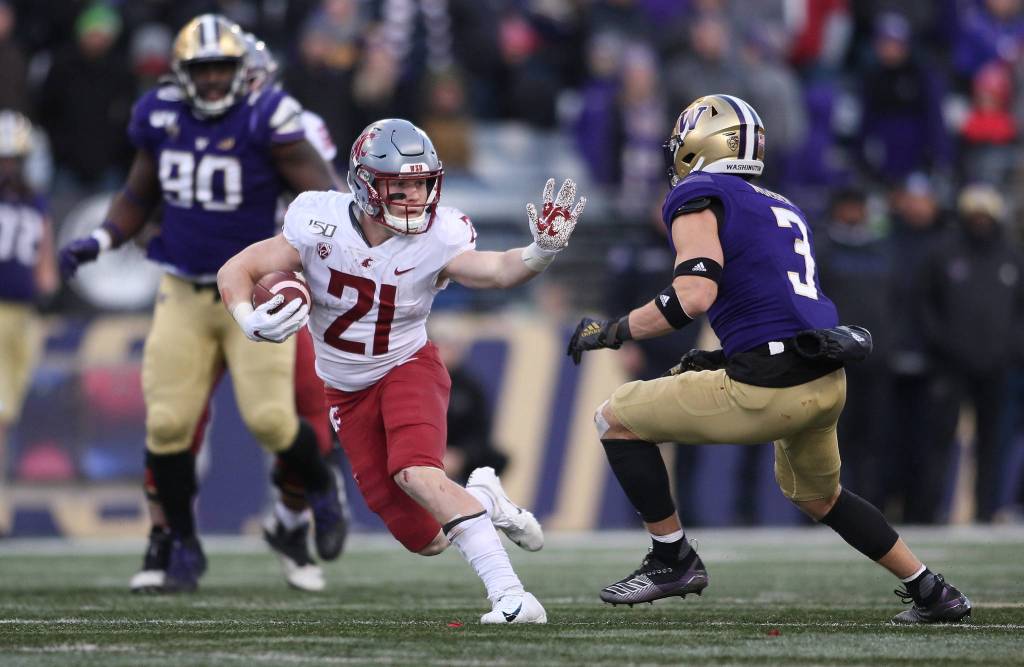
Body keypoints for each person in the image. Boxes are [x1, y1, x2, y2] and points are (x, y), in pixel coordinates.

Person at [566, 94, 971, 624]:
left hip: (771, 386)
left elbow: (693, 296)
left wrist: (614, 331)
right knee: (820, 497)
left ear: (702, 145)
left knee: (615, 418)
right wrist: (721, 358)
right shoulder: (781, 203)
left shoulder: (697, 194)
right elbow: (778, 304)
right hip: (825, 378)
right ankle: (931, 590)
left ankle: (672, 558)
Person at [217, 118, 587, 623]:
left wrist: (540, 253)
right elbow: (236, 270)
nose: (414, 196)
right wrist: (247, 320)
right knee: (426, 539)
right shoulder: (316, 220)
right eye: (400, 185)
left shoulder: (440, 235)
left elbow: (497, 270)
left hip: (407, 365)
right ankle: (484, 497)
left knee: (417, 473)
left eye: (421, 183)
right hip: (346, 391)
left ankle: (512, 597)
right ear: (366, 184)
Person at [57, 14, 344, 593]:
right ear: (182, 72)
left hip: (253, 291)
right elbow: (140, 192)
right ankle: (182, 547)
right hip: (182, 289)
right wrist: (102, 239)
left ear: (241, 71)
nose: (213, 81)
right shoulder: (160, 115)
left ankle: (320, 485)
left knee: (270, 419)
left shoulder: (269, 117)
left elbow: (326, 198)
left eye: (222, 68)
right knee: (166, 425)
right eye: (202, 69)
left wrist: (344, 256)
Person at [0, 110, 58, 531]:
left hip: (25, 315)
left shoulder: (36, 201)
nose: (8, 168)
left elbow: (45, 263)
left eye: (13, 160)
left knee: (9, 412)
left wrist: (47, 283)